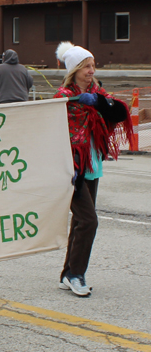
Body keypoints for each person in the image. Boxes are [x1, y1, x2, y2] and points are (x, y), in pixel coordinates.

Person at [54, 41, 133, 297]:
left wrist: (98, 101)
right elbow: (50, 132)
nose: (91, 70)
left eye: (93, 65)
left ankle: (68, 273)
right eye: (87, 66)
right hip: (71, 168)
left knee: (80, 221)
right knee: (89, 221)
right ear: (74, 69)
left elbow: (121, 112)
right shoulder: (63, 98)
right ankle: (76, 275)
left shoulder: (98, 93)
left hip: (92, 164)